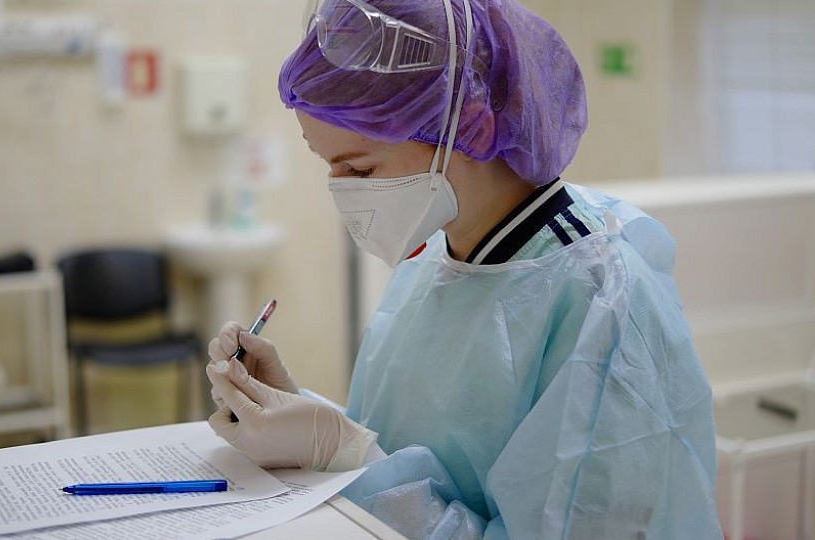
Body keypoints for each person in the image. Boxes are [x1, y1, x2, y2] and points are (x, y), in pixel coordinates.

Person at [205, 0, 724, 538]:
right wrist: (297, 416)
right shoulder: (437, 259)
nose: (341, 190)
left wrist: (340, 454)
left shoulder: (600, 299)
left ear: (470, 128)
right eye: (329, 166)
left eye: (358, 169)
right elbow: (406, 449)